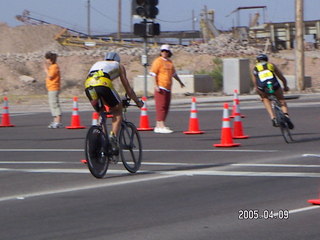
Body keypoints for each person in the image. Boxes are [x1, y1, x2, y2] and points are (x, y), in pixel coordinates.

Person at [84, 52, 144, 154]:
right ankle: (113, 137)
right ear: (117, 60)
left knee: (101, 111)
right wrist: (137, 102)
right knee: (117, 110)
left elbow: (94, 84)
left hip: (89, 86)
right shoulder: (118, 65)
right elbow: (128, 89)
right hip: (103, 84)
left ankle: (102, 138)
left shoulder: (97, 64)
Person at [150, 44, 185, 134]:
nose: (164, 53)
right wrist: (156, 85)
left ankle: (159, 125)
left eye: (166, 51)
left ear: (169, 52)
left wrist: (180, 82)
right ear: (160, 52)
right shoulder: (158, 61)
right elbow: (154, 73)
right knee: (160, 106)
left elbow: (174, 74)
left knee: (166, 107)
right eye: (163, 51)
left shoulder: (170, 62)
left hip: (168, 87)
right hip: (161, 86)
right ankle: (161, 125)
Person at [252, 53, 294, 129]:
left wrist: (260, 94)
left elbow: (255, 83)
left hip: (263, 87)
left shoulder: (255, 68)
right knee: (281, 99)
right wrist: (285, 86)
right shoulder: (271, 65)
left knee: (265, 99)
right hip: (274, 86)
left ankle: (273, 118)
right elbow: (282, 77)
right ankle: (286, 115)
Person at [44, 51, 63, 129]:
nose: (46, 61)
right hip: (51, 88)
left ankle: (58, 121)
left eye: (47, 59)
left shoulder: (54, 67)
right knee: (52, 104)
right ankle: (55, 120)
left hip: (53, 88)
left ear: (50, 59)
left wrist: (45, 70)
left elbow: (50, 76)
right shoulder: (52, 67)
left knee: (54, 104)